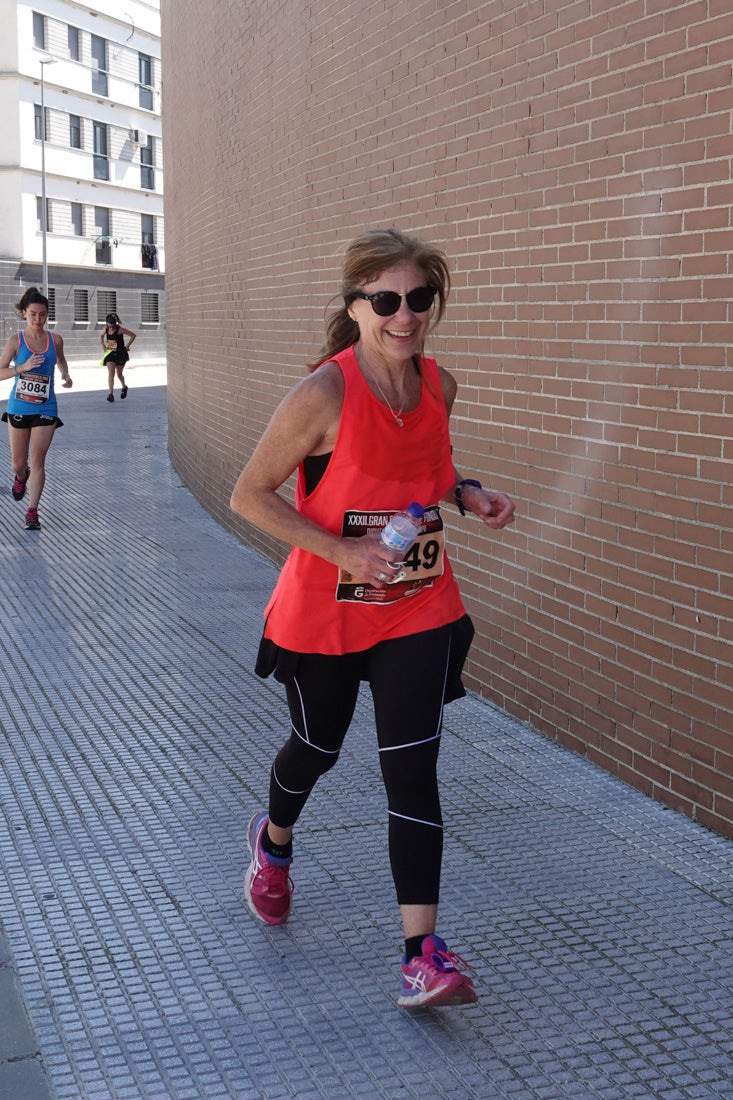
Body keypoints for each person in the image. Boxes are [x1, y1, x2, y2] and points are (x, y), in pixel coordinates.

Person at [230, 228, 516, 1009]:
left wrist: (468, 493)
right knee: (315, 748)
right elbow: (247, 494)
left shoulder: (438, 385)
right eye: (385, 300)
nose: (404, 315)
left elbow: (429, 468)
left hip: (416, 607)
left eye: (418, 299)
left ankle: (420, 953)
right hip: (325, 613)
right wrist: (340, 552)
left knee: (412, 770)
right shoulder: (322, 394)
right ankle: (274, 840)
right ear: (355, 308)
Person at [0, 287, 72, 530]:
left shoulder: (55, 339)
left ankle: (32, 511)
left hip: (46, 408)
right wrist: (22, 368)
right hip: (19, 407)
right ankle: (21, 477)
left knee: (38, 459)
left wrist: (65, 375)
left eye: (43, 314)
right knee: (18, 464)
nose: (38, 319)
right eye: (33, 314)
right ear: (24, 314)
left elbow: (61, 359)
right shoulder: (15, 340)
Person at [100, 312, 136, 402]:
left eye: (113, 326)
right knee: (111, 373)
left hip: (120, 353)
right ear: (107, 324)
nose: (111, 328)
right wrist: (102, 344)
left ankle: (124, 387)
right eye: (109, 326)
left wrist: (127, 346)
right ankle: (110, 394)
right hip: (110, 352)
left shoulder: (120, 330)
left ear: (115, 324)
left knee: (119, 374)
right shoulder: (106, 328)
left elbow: (133, 335)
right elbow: (101, 335)